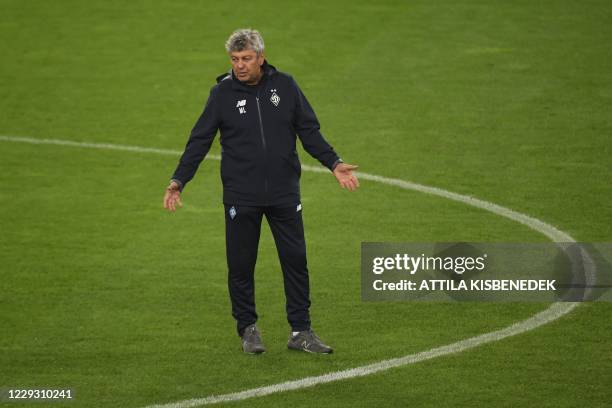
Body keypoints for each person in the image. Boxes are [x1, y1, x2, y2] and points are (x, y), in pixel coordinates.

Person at [163, 28, 359, 354]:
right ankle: (248, 329)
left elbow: (308, 131)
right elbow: (199, 140)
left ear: (261, 58)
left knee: (295, 261)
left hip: (284, 193)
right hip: (242, 196)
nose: (239, 65)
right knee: (241, 265)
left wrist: (333, 162)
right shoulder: (222, 95)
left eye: (246, 59)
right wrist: (179, 180)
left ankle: (301, 332)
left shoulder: (286, 86)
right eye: (235, 59)